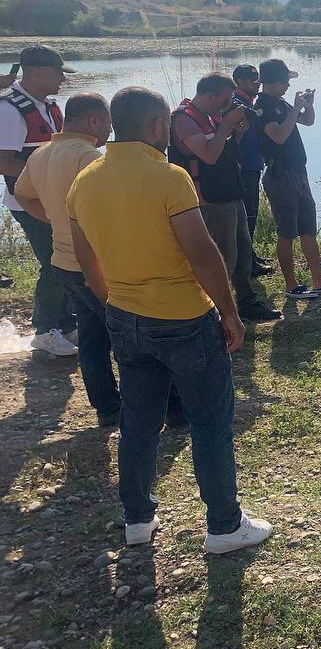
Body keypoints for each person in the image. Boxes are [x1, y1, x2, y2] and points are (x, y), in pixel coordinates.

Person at [66, 86, 272, 553]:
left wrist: (115, 303)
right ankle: (224, 526)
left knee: (139, 421)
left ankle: (137, 520)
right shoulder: (169, 177)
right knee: (210, 421)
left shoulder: (86, 180)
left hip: (125, 317)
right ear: (158, 126)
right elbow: (201, 252)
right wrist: (230, 312)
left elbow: (85, 259)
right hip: (184, 318)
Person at [14, 94, 120, 424]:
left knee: (91, 336)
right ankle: (149, 405)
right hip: (93, 265)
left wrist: (54, 219)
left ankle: (107, 407)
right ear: (93, 121)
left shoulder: (42, 152)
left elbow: (22, 194)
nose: (109, 130)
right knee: (125, 334)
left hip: (62, 260)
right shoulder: (89, 157)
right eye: (107, 122)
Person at [169, 73, 280, 322]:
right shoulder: (184, 120)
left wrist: (235, 131)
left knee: (242, 251)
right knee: (223, 259)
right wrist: (226, 125)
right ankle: (213, 315)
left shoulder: (211, 117)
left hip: (229, 192)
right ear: (211, 95)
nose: (227, 104)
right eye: (226, 98)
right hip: (209, 200)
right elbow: (208, 156)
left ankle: (246, 303)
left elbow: (224, 150)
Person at [0, 45, 78, 355]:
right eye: (59, 73)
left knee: (66, 258)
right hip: (28, 201)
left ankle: (66, 323)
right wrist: (45, 174)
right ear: (38, 73)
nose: (63, 79)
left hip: (53, 199)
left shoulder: (49, 106)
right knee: (53, 261)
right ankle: (45, 330)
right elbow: (4, 163)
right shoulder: (10, 110)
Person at [252, 58, 321, 300]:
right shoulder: (262, 106)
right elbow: (277, 136)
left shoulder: (281, 102)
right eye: (285, 80)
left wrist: (308, 106)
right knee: (287, 231)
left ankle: (320, 281)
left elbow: (308, 121)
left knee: (307, 228)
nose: (288, 84)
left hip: (298, 173)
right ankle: (291, 285)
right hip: (281, 175)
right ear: (272, 81)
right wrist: (295, 108)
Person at [230, 64, 273, 277]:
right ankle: (247, 263)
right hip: (243, 167)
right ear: (239, 81)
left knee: (251, 213)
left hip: (253, 165)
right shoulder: (234, 103)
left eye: (258, 78)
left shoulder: (248, 102)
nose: (257, 83)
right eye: (252, 79)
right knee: (247, 214)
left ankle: (250, 255)